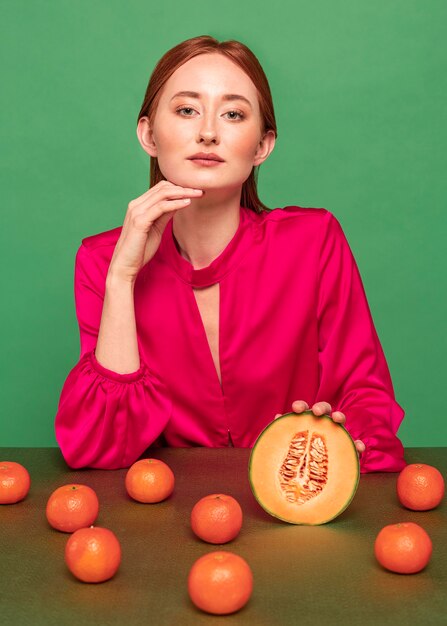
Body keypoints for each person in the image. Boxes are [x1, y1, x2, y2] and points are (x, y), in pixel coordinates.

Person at [55, 35, 406, 473]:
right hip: (167, 518)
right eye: (186, 110)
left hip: (296, 508)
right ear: (148, 134)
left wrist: (341, 445)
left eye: (233, 114)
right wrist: (122, 277)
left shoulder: (314, 241)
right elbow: (100, 447)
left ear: (262, 145)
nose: (207, 131)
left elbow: (365, 397)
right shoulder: (100, 260)